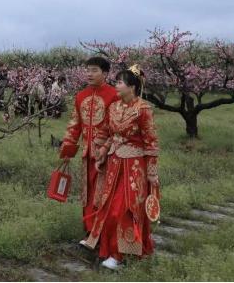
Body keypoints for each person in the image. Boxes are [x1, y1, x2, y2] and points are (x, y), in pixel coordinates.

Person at [80, 65, 160, 270]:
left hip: (134, 167)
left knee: (123, 210)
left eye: (119, 82)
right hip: (113, 164)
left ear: (132, 87)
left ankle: (119, 254)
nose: (116, 85)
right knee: (106, 207)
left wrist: (151, 171)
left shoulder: (143, 110)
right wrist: (101, 154)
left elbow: (151, 142)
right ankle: (110, 250)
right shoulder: (114, 107)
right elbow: (107, 133)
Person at [58, 57, 119, 240]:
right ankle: (89, 230)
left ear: (105, 73)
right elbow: (74, 125)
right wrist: (68, 150)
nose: (89, 74)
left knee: (103, 193)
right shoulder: (81, 96)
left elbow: (118, 126)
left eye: (94, 70)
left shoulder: (114, 95)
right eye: (88, 70)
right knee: (87, 192)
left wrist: (107, 147)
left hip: (108, 154)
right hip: (86, 153)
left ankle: (103, 234)